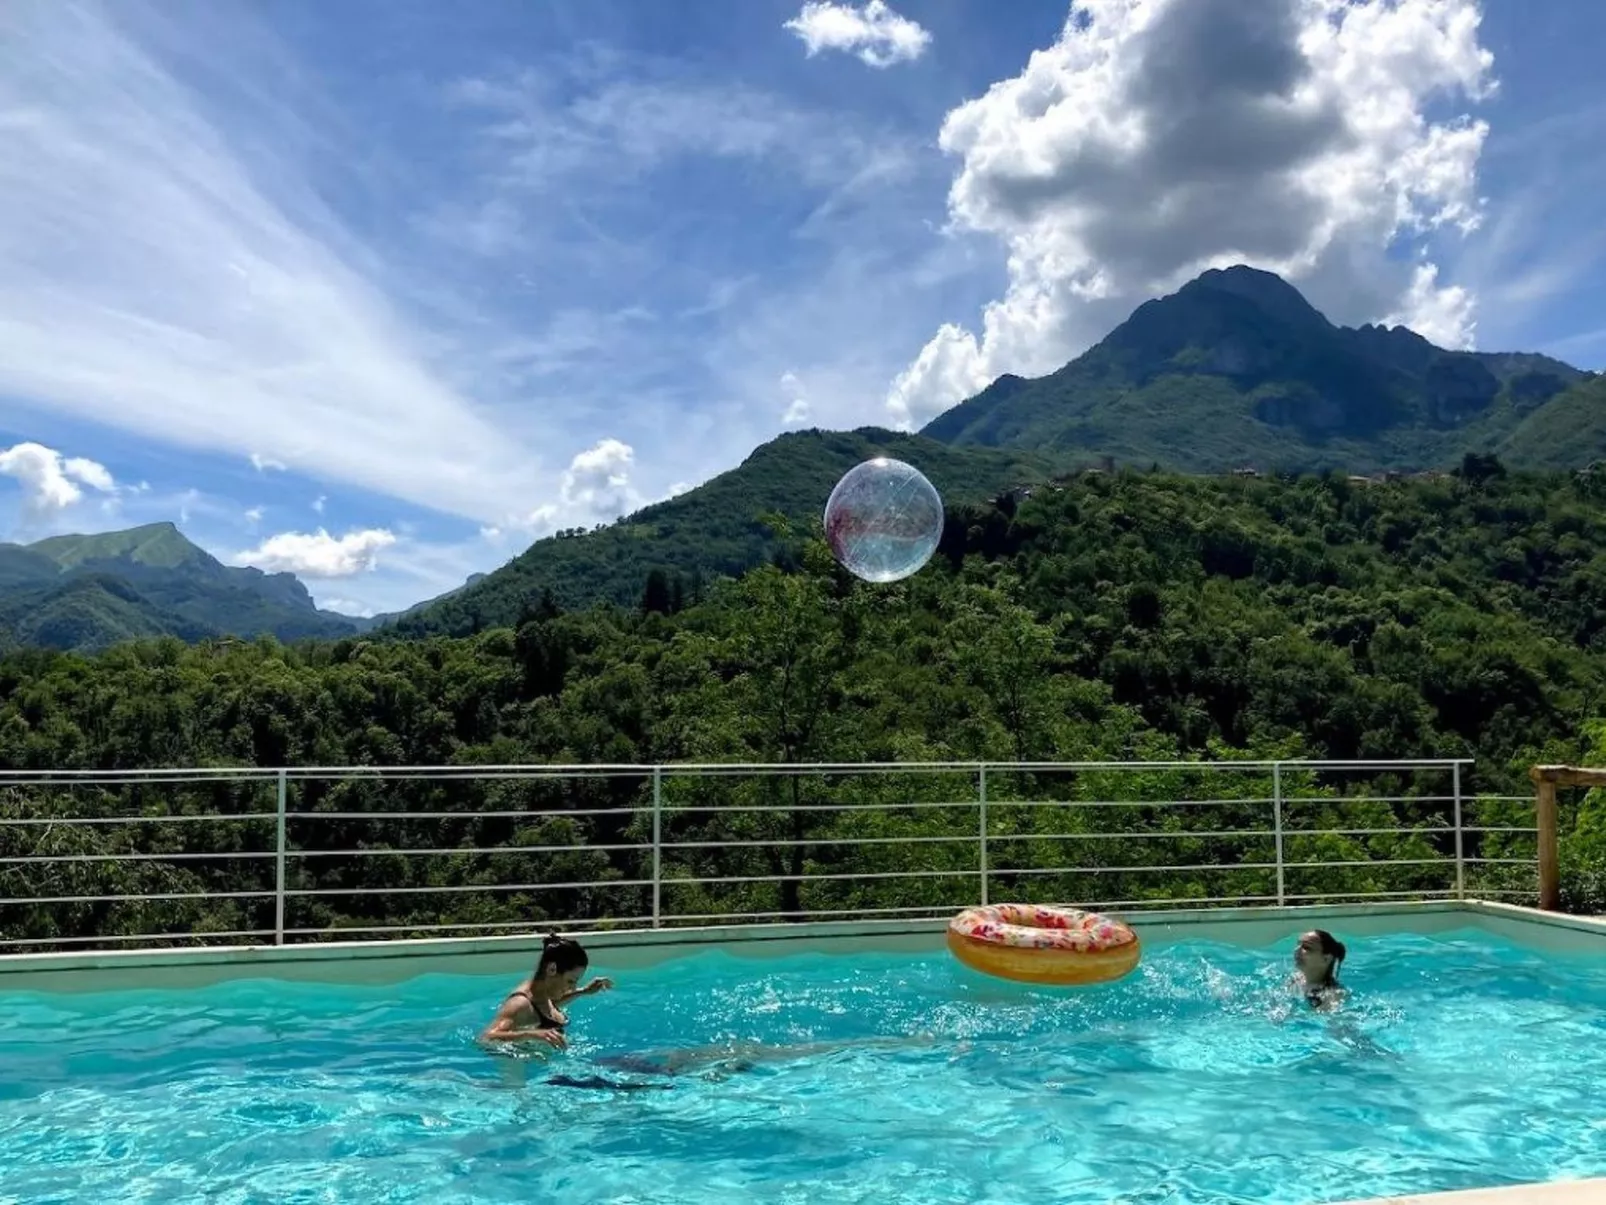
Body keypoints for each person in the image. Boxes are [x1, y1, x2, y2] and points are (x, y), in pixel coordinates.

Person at [479, 932, 612, 1047]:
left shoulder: (542, 993)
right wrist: (531, 1034)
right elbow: (486, 1037)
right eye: (570, 981)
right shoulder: (519, 1004)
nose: (572, 987)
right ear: (551, 969)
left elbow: (548, 1005)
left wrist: (583, 991)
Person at [1292, 928, 1347, 1011]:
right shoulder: (1295, 980)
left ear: (1326, 959)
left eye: (1306, 947)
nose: (1296, 950)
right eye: (1298, 945)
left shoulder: (1333, 996)